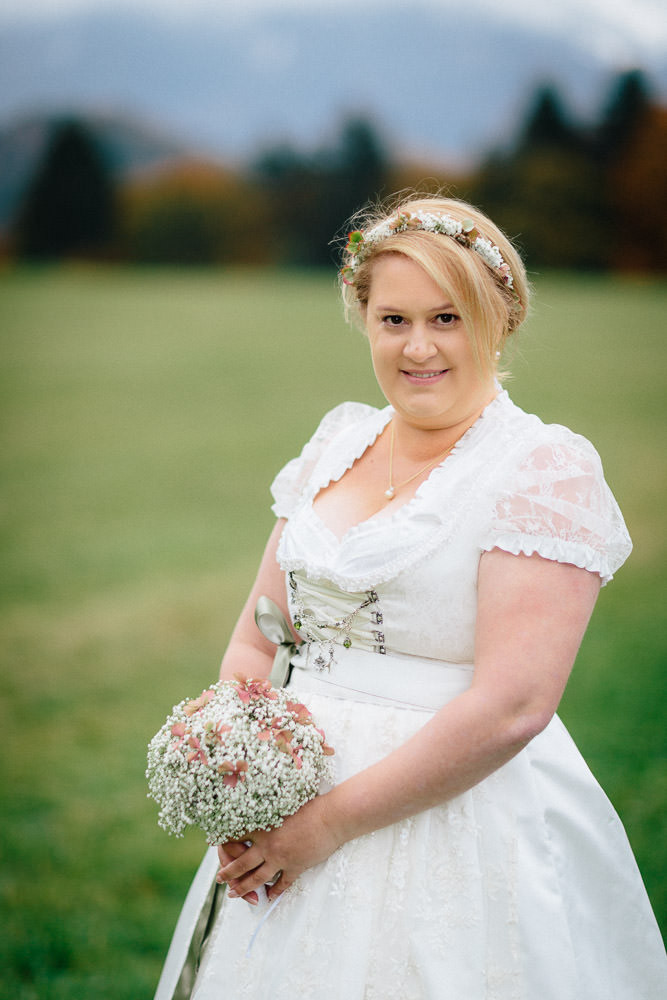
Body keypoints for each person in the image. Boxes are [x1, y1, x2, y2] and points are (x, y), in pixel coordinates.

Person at [154, 194, 666, 1000]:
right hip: (287, 807)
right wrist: (236, 778)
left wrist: (322, 828)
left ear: (499, 320)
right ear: (362, 318)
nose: (418, 347)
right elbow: (260, 635)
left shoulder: (540, 470)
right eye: (393, 320)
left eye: (447, 318)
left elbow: (511, 706)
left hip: (451, 826)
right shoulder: (337, 443)